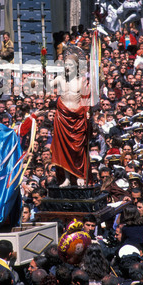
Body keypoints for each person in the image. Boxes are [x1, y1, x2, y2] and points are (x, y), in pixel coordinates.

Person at [50, 53, 89, 187]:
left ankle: (79, 175)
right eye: (66, 65)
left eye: (70, 65)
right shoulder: (60, 79)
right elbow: (48, 84)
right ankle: (66, 178)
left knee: (77, 149)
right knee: (63, 149)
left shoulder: (82, 81)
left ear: (76, 67)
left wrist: (87, 113)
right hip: (62, 117)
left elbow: (87, 98)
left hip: (77, 118)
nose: (68, 68)